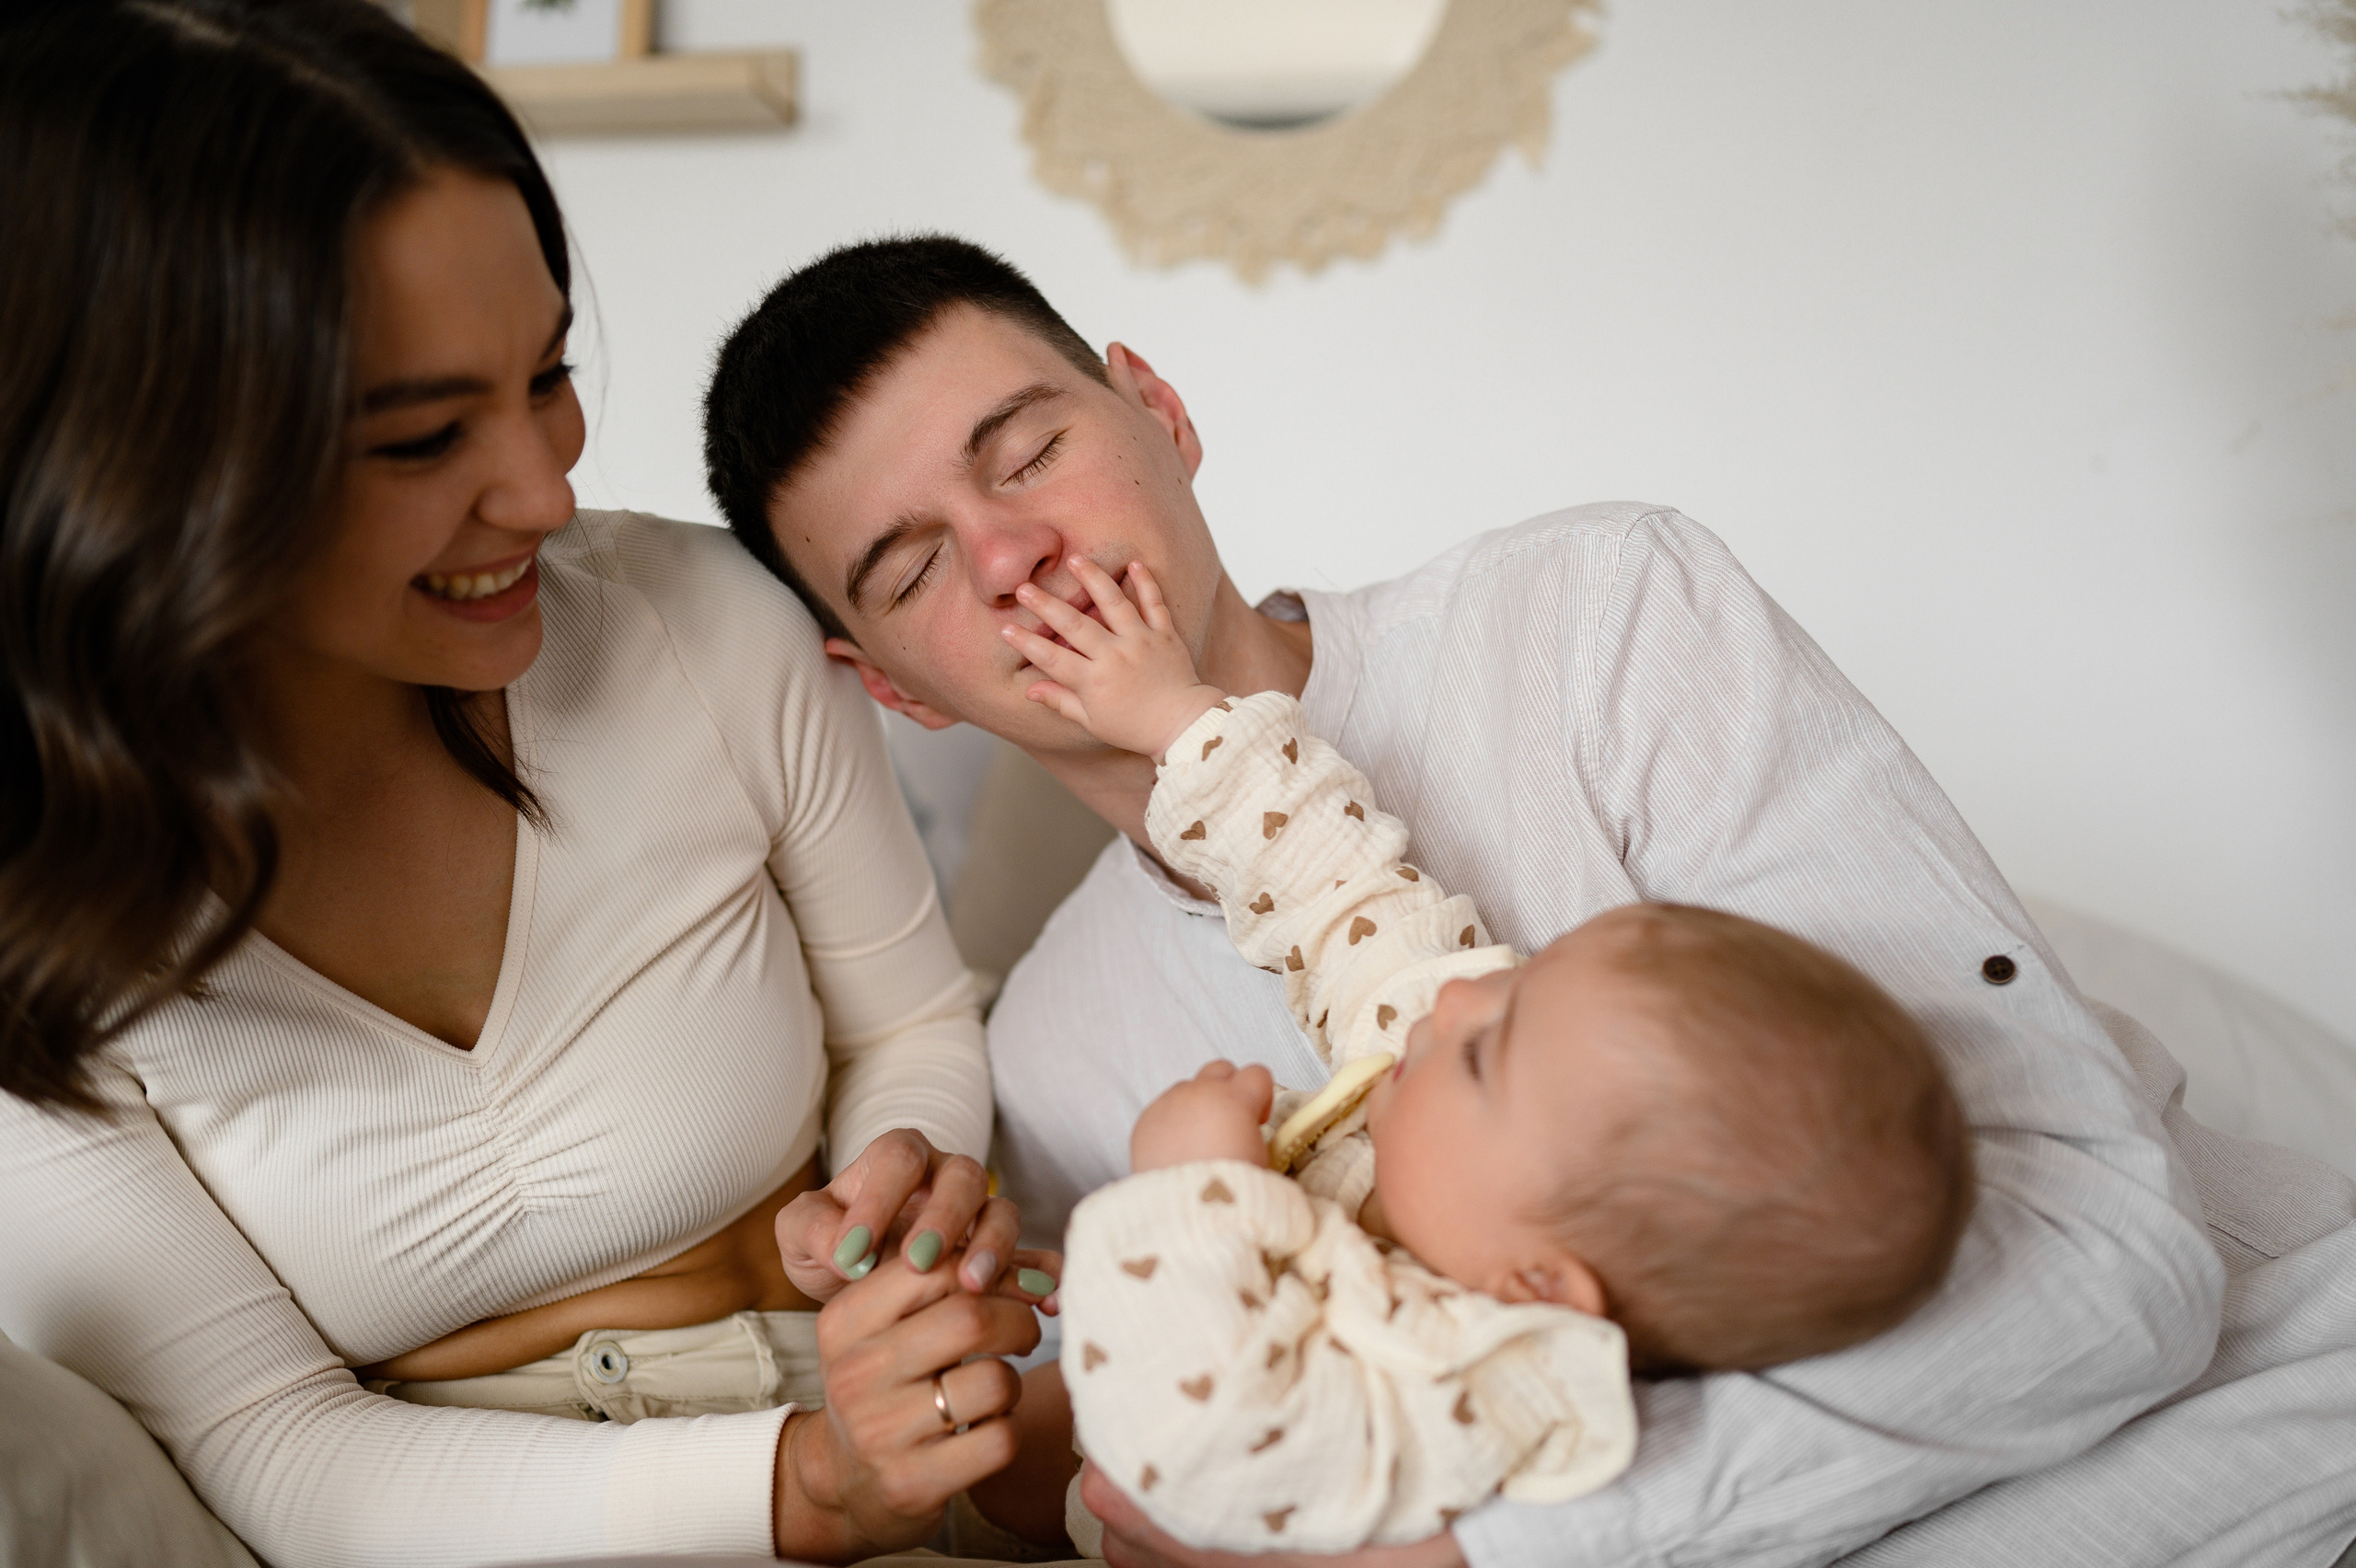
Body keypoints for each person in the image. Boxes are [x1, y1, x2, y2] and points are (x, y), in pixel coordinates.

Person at [704, 233, 2356, 1568]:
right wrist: (955, 1401)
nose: (1011, 557)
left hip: (2259, 1425)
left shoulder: (1599, 621)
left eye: (1030, 452)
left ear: (1161, 409)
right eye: (915, 568)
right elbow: (1152, 1443)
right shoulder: (1063, 1053)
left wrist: (1477, 1548)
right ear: (890, 686)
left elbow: (2108, 1265)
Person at [0, 9, 1056, 1566]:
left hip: (897, 1445)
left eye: (548, 373)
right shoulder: (44, 914)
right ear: (148, 471)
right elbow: (267, 1440)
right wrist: (801, 1486)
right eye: (425, 436)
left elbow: (904, 1022)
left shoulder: (701, 624)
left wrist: (905, 1183)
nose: (549, 490)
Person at [1008, 559, 1969, 1551]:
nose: (1460, 995)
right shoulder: (1462, 1109)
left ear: (1536, 1288)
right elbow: (1344, 896)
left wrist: (1193, 1187)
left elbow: (1201, 1452)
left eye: (1483, 1055)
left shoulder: (1474, 1382)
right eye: (1520, 982)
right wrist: (1183, 726)